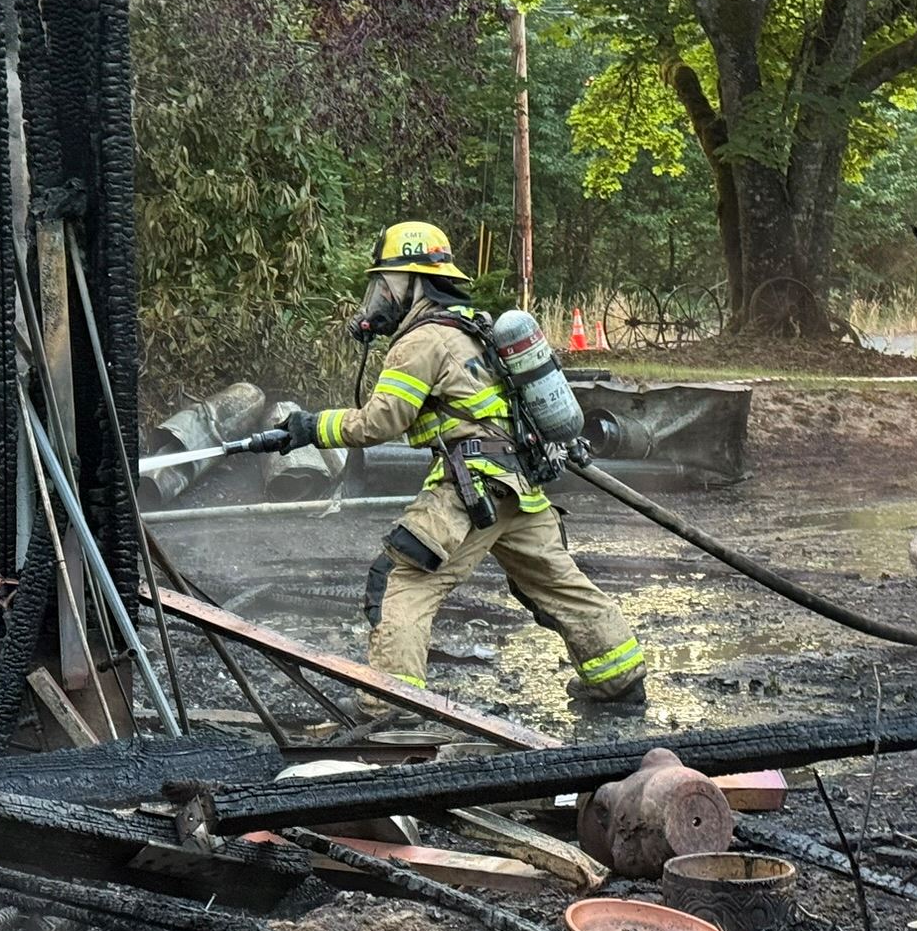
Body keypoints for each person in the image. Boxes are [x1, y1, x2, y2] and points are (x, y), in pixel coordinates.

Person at [269, 220, 647, 707]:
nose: (378, 295)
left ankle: (392, 706)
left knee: (400, 581)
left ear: (415, 281)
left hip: (471, 490)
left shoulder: (421, 341)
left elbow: (380, 422)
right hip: (520, 488)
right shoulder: (476, 329)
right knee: (557, 581)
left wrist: (310, 427)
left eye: (385, 282)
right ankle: (619, 679)